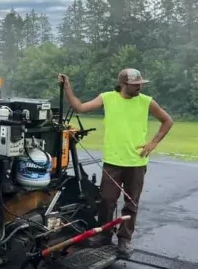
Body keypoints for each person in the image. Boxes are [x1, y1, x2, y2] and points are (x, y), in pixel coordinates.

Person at [57, 68, 173, 259]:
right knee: (106, 200)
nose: (139, 87)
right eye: (135, 85)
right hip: (113, 161)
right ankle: (104, 235)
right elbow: (80, 107)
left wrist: (154, 142)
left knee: (131, 203)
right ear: (123, 85)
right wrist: (67, 87)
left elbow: (167, 121)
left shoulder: (146, 101)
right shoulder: (108, 97)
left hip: (136, 161)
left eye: (140, 84)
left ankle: (124, 239)